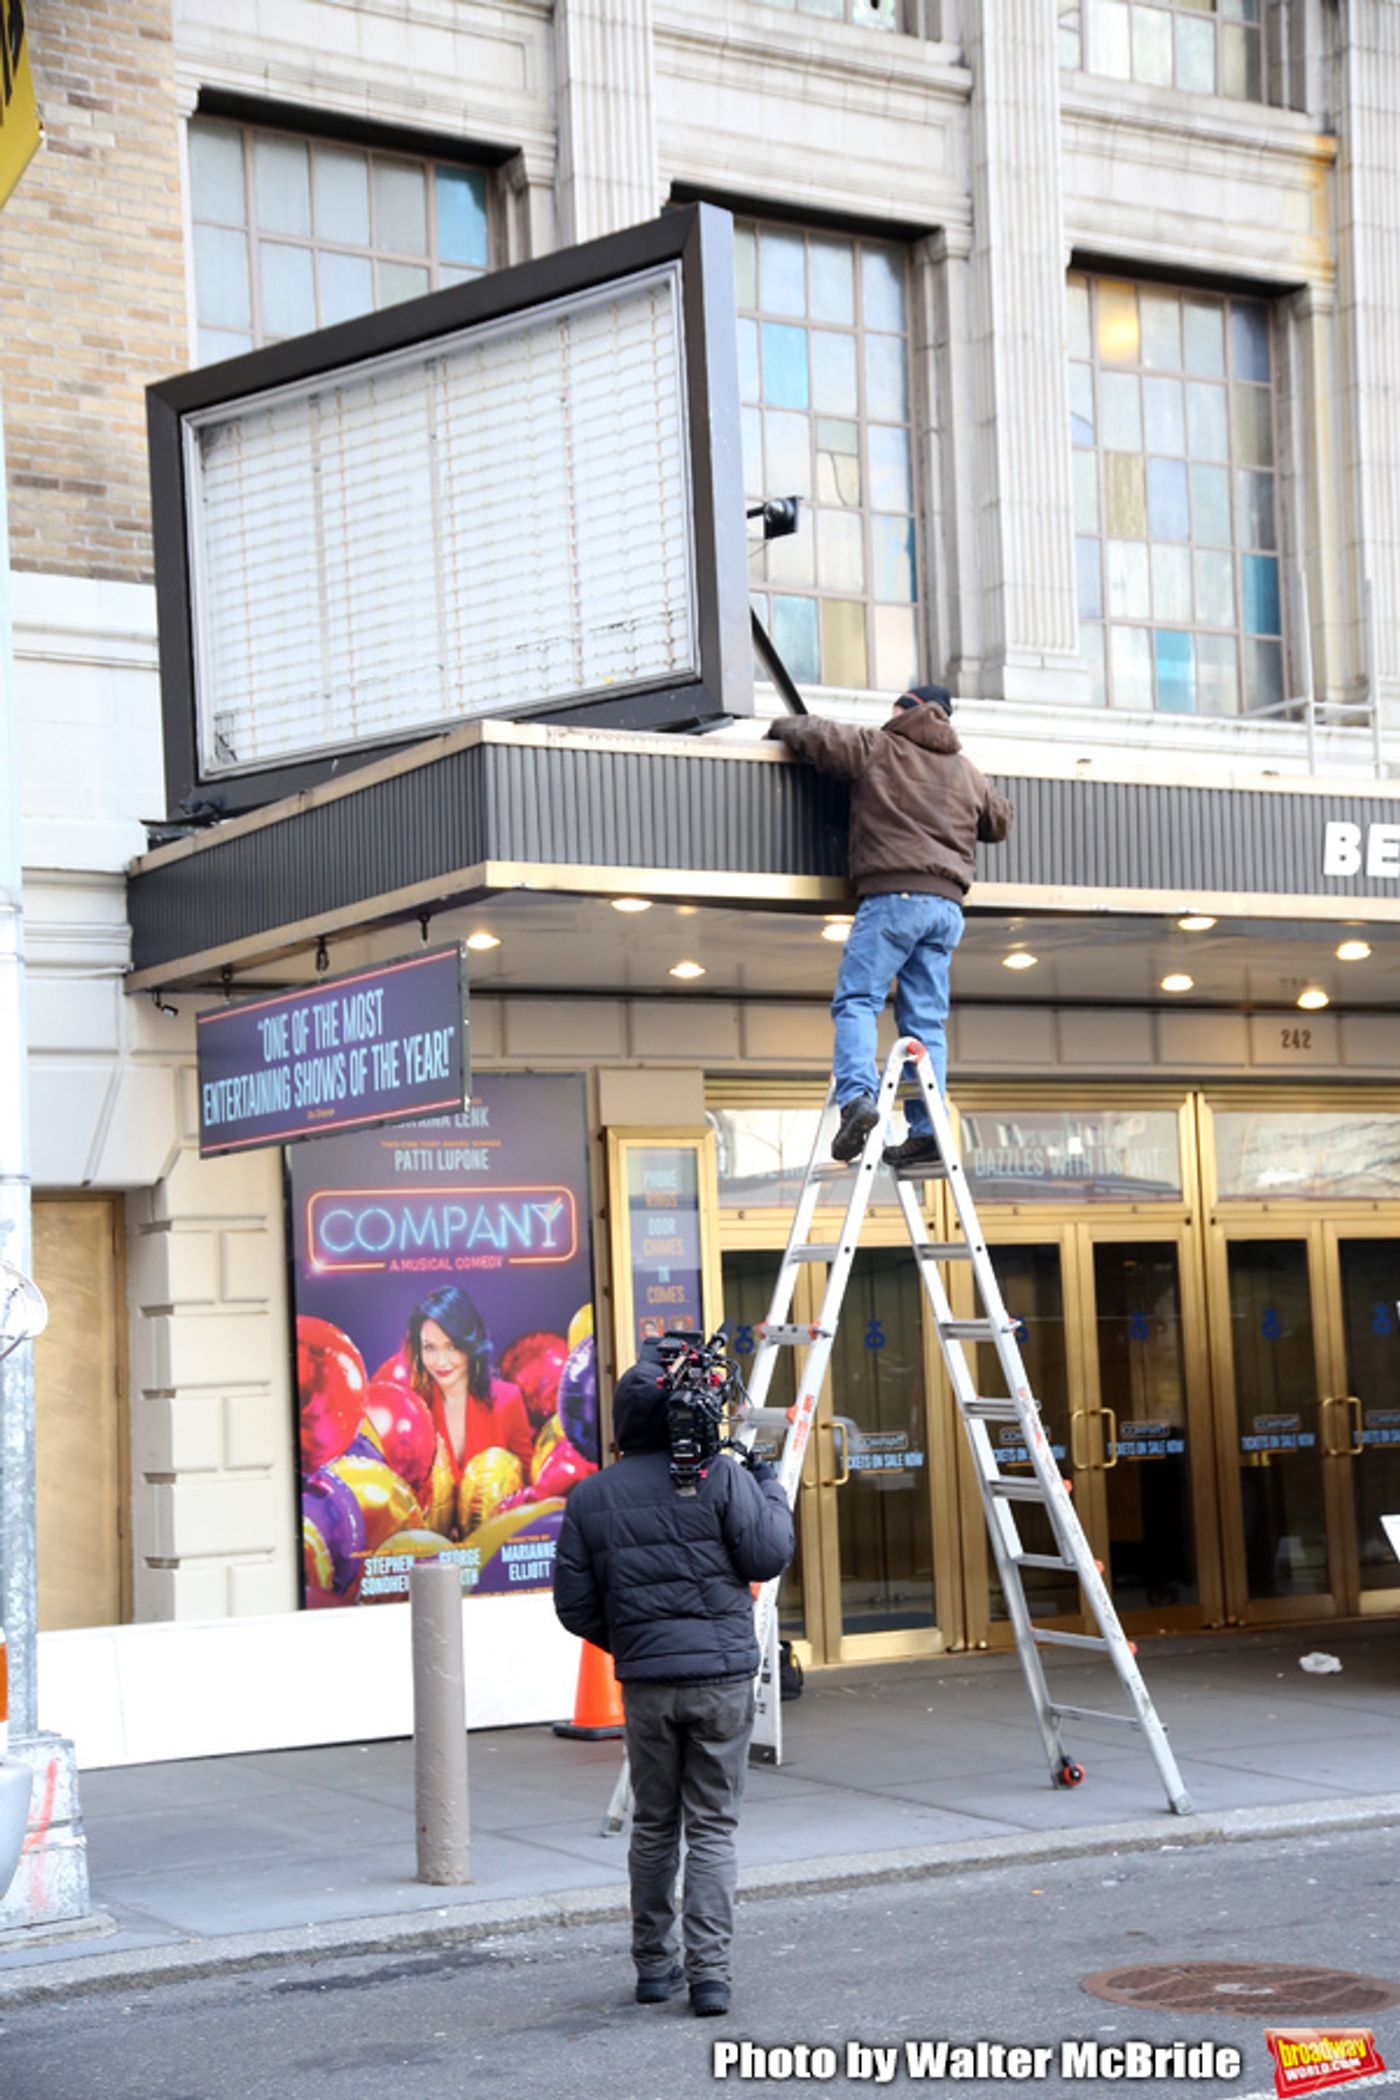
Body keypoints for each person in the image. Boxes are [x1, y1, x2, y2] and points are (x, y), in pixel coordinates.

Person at [552, 1338, 794, 2019]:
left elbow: (574, 1607)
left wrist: (635, 1643)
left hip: (648, 1685)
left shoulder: (591, 1496)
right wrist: (769, 1485)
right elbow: (768, 1554)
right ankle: (710, 1977)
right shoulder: (721, 1477)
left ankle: (654, 1968)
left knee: (655, 1824)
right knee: (712, 1826)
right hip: (721, 1679)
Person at [767, 684, 1014, 1169]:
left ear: (906, 710)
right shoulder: (966, 770)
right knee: (926, 1023)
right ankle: (928, 1130)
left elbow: (822, 736)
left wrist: (781, 726)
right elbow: (1001, 821)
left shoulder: (880, 747)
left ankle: (857, 1098)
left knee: (858, 1000)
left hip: (894, 897)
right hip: (947, 908)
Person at [405, 1284, 534, 1477]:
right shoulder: (413, 1408)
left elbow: (527, 1479)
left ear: (470, 1344)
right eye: (430, 1348)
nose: (441, 1362)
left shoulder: (508, 1400)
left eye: (452, 1346)